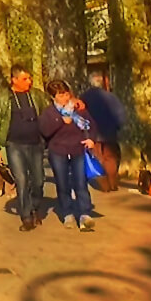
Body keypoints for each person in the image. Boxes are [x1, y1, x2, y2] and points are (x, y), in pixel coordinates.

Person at [0, 64, 49, 230]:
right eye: (24, 79)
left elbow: (48, 113)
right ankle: (26, 217)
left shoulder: (36, 95)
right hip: (14, 145)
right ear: (14, 80)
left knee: (38, 181)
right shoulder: (3, 97)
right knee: (21, 180)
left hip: (35, 144)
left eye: (29, 78)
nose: (29, 82)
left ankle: (35, 206)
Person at [41, 80, 98, 231]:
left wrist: (91, 139)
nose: (65, 98)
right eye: (61, 95)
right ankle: (67, 212)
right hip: (58, 151)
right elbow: (45, 131)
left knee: (80, 182)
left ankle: (84, 214)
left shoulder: (78, 109)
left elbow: (91, 124)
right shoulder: (49, 112)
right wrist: (60, 121)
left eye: (66, 93)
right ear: (53, 97)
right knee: (63, 183)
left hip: (77, 149)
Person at [81, 70, 125, 192]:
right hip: (110, 132)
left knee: (98, 158)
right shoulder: (111, 96)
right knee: (110, 157)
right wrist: (118, 126)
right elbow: (121, 114)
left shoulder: (84, 97)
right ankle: (112, 182)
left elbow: (80, 115)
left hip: (92, 133)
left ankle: (104, 185)